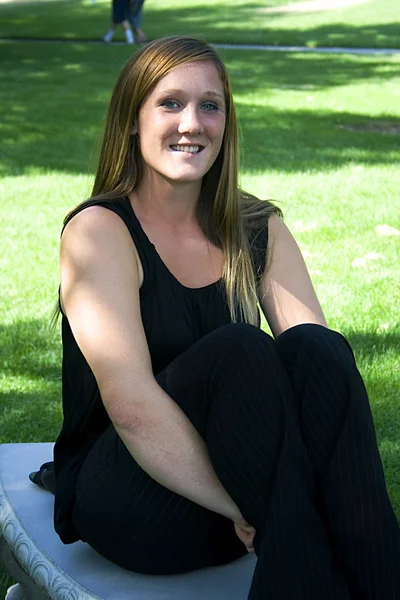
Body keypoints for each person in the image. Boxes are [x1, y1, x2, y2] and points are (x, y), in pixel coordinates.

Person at [31, 36, 400, 599]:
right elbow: (131, 409)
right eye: (170, 103)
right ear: (132, 121)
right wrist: (251, 505)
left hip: (243, 497)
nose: (192, 123)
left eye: (211, 105)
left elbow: (320, 380)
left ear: (227, 122)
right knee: (240, 348)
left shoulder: (256, 226)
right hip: (138, 499)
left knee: (322, 350)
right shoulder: (99, 233)